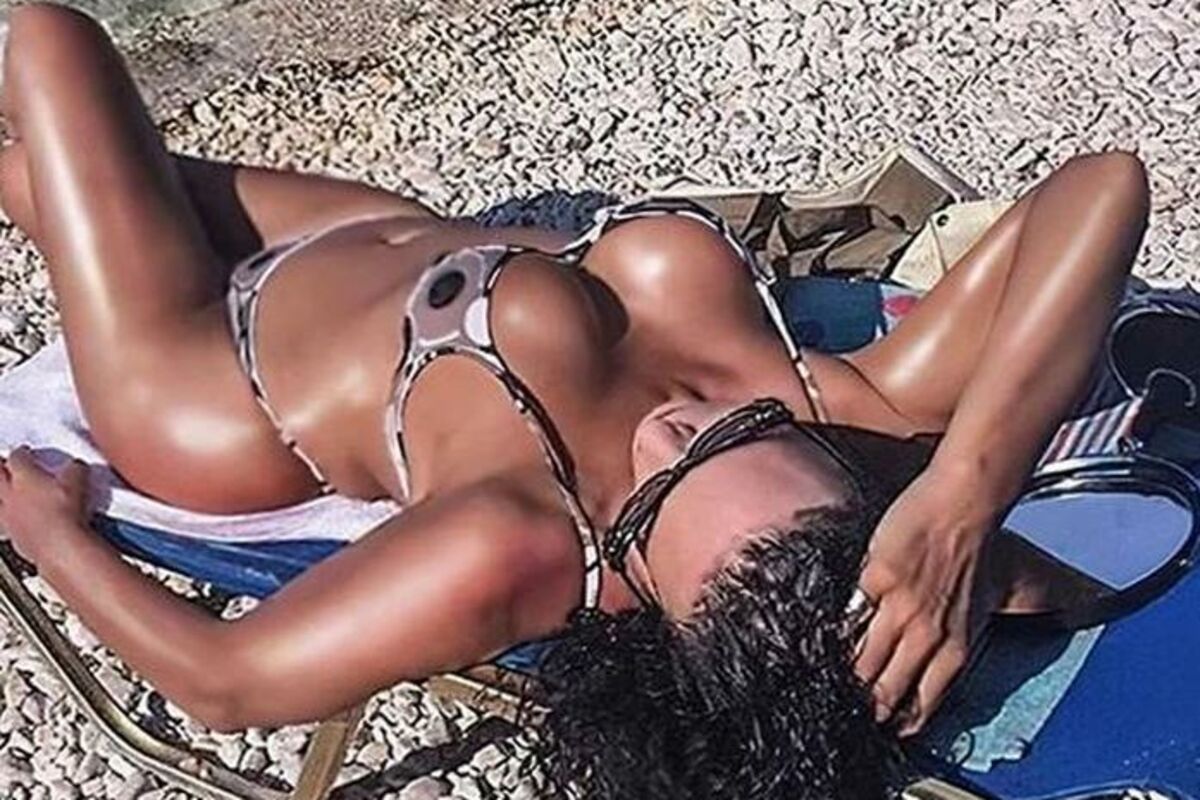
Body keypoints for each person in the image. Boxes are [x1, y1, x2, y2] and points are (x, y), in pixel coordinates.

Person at [0, 4, 1149, 796]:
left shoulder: (520, 544)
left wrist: (51, 530)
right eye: (734, 428)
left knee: (50, 43)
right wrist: (965, 489)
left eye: (660, 480)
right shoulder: (847, 405)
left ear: (658, 598)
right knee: (41, 163)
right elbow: (1100, 185)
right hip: (378, 236)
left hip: (214, 376)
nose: (676, 417)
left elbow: (227, 681)